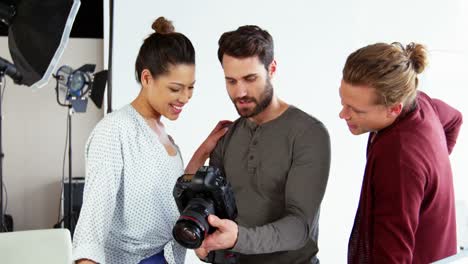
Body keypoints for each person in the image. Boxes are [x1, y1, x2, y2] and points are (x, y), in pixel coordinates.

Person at [72, 17, 230, 264]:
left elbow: (174, 193)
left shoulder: (165, 136)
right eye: (176, 88)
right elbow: (91, 228)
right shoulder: (114, 131)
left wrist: (205, 148)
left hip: (168, 257)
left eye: (190, 88)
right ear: (147, 78)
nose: (185, 97)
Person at [195, 25, 331, 264]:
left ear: (272, 69)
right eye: (231, 81)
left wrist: (239, 238)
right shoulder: (227, 135)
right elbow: (212, 207)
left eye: (250, 78)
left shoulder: (309, 134)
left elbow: (299, 227)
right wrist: (206, 239)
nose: (240, 92)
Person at [339, 42, 463, 264]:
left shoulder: (398, 161)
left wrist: (421, 174)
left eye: (356, 110)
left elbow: (392, 258)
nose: (343, 114)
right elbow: (455, 119)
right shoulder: (420, 103)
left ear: (394, 108)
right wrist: (431, 174)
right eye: (343, 102)